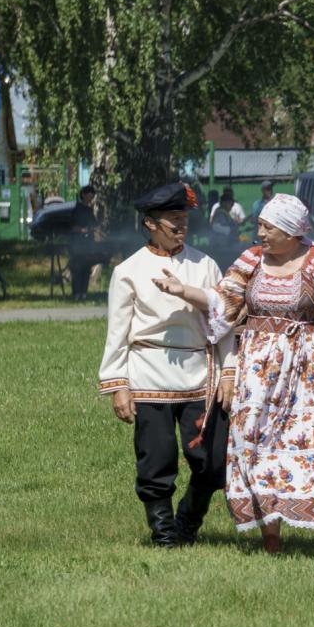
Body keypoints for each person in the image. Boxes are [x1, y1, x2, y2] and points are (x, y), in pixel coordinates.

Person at [152, 194, 314, 558]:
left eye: (268, 227)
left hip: (309, 368)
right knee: (259, 446)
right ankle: (271, 536)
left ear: (290, 231)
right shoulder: (252, 260)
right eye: (261, 226)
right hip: (259, 369)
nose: (260, 233)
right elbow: (224, 298)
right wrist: (182, 290)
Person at [98, 182, 234, 547]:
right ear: (150, 224)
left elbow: (224, 323)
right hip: (148, 372)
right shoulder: (129, 271)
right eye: (173, 221)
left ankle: (188, 522)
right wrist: (117, 384)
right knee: (156, 458)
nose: (181, 227)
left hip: (200, 375)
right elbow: (117, 332)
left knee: (210, 460)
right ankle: (164, 534)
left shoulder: (205, 265)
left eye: (184, 220)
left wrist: (230, 371)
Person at [69, 185, 102, 301]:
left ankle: (84, 293)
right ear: (83, 194)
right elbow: (72, 227)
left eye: (93, 194)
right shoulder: (77, 209)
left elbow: (95, 224)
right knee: (77, 269)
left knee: (86, 269)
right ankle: (76, 294)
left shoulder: (89, 210)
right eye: (89, 193)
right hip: (77, 244)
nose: (92, 196)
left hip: (88, 245)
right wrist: (83, 230)